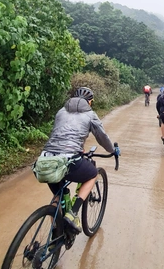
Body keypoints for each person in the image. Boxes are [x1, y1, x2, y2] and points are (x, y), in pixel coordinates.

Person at [40, 86, 120, 234]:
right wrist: (112, 150)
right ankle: (73, 213)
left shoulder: (61, 111)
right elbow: (102, 138)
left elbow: (62, 133)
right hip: (69, 159)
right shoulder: (90, 114)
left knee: (58, 195)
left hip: (45, 159)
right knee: (92, 174)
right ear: (90, 102)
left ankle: (55, 235)